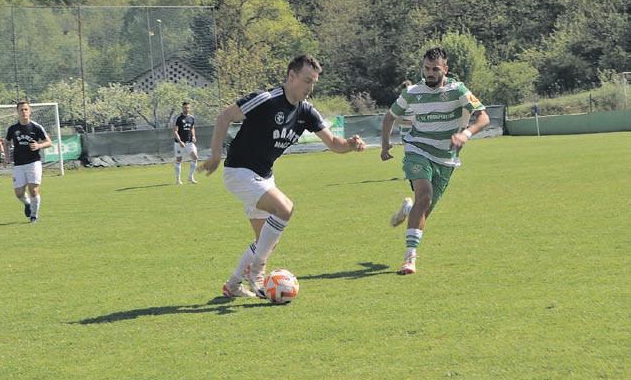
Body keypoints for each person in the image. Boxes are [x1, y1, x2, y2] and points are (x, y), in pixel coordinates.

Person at [200, 54, 366, 298]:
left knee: (266, 241)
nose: (310, 88)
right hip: (239, 172)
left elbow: (333, 143)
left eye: (314, 83)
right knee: (285, 209)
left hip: (264, 176)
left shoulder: (306, 111)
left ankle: (233, 284)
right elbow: (224, 116)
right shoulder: (266, 100)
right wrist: (215, 154)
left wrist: (350, 144)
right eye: (307, 81)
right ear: (291, 76)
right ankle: (258, 272)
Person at [380, 47, 489, 274]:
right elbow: (389, 117)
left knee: (422, 210)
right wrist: (385, 145)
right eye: (426, 69)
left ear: (445, 69)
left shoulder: (458, 90)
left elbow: (483, 117)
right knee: (425, 195)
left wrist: (466, 134)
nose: (430, 73)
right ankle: (410, 259)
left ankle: (408, 209)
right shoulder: (412, 92)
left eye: (435, 69)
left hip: (446, 159)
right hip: (417, 149)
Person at [4, 101, 52, 223]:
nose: (24, 112)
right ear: (17, 112)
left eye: (26, 109)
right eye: (21, 110)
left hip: (33, 162)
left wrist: (39, 145)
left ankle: (33, 216)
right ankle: (28, 204)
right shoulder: (12, 129)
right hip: (18, 164)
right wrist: (6, 157)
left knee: (33, 190)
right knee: (19, 193)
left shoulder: (36, 127)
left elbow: (49, 142)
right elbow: (6, 142)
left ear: (30, 111)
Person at [173, 101, 198, 184]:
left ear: (190, 108)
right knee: (179, 160)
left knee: (195, 157)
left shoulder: (192, 118)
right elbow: (175, 131)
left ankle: (190, 177)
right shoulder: (178, 118)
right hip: (179, 143)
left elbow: (192, 128)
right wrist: (180, 141)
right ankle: (178, 180)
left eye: (188, 108)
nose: (186, 109)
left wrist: (193, 136)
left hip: (189, 142)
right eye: (185, 108)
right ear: (182, 108)